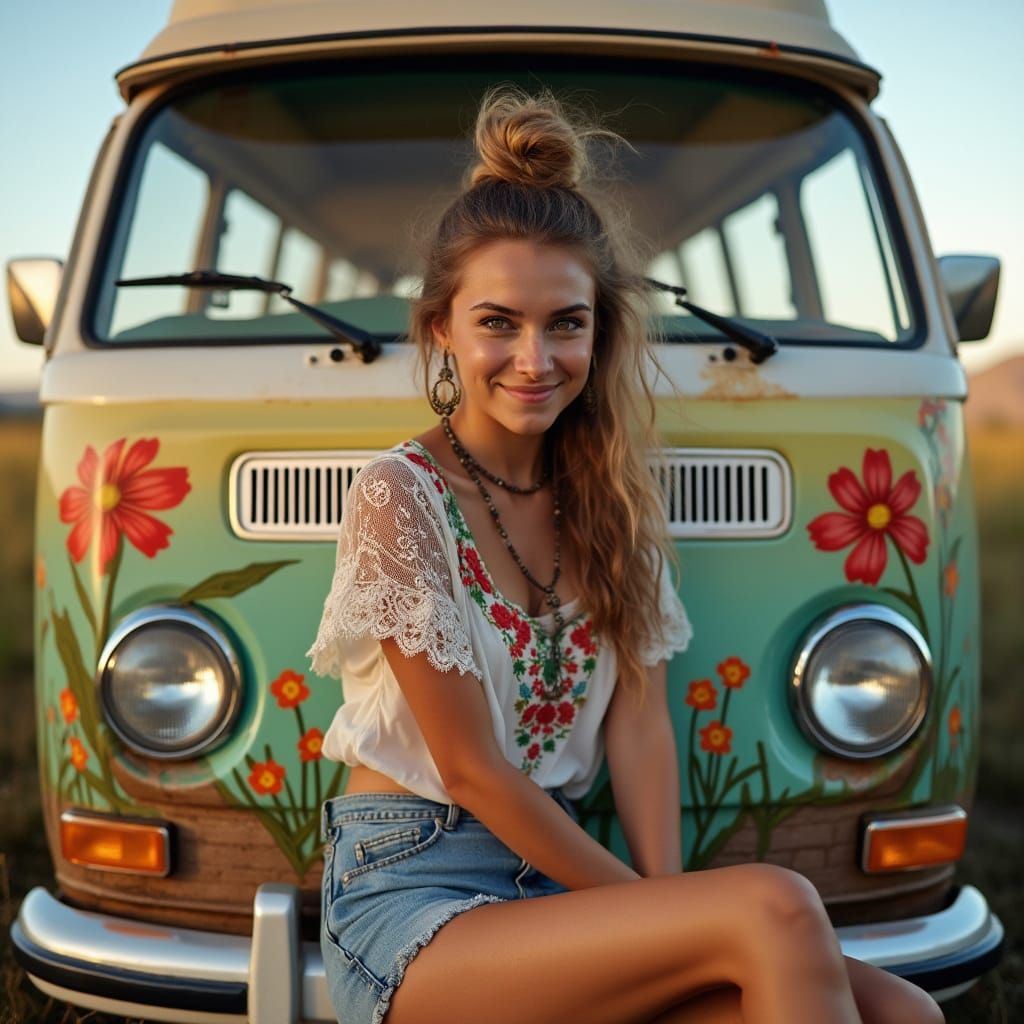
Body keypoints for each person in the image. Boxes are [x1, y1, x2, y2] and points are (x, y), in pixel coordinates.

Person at [306, 88, 944, 1024]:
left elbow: (640, 732)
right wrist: (666, 914)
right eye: (498, 323)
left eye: (566, 322)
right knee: (773, 905)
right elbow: (474, 769)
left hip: (557, 892)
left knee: (906, 1014)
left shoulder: (609, 498)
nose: (535, 358)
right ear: (441, 327)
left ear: (599, 331)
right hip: (412, 889)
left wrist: (676, 914)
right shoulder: (399, 496)